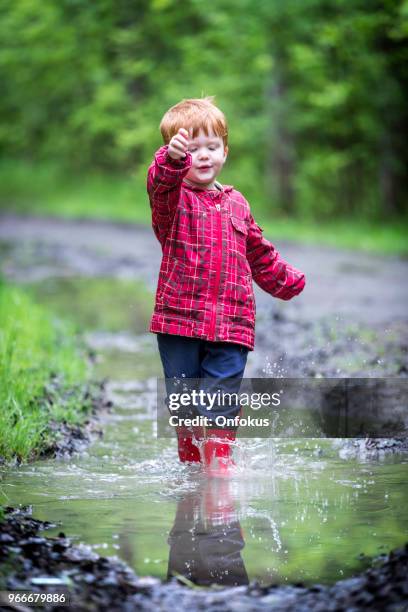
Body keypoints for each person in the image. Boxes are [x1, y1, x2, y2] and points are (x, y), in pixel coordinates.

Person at [147, 97, 305, 475]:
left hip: (232, 322)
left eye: (212, 147)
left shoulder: (237, 203)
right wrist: (171, 160)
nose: (203, 156)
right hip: (179, 320)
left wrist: (286, 281)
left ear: (225, 151)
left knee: (221, 396)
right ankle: (190, 466)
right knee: (184, 400)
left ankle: (219, 467)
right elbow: (160, 181)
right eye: (193, 148)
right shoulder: (172, 199)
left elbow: (259, 253)